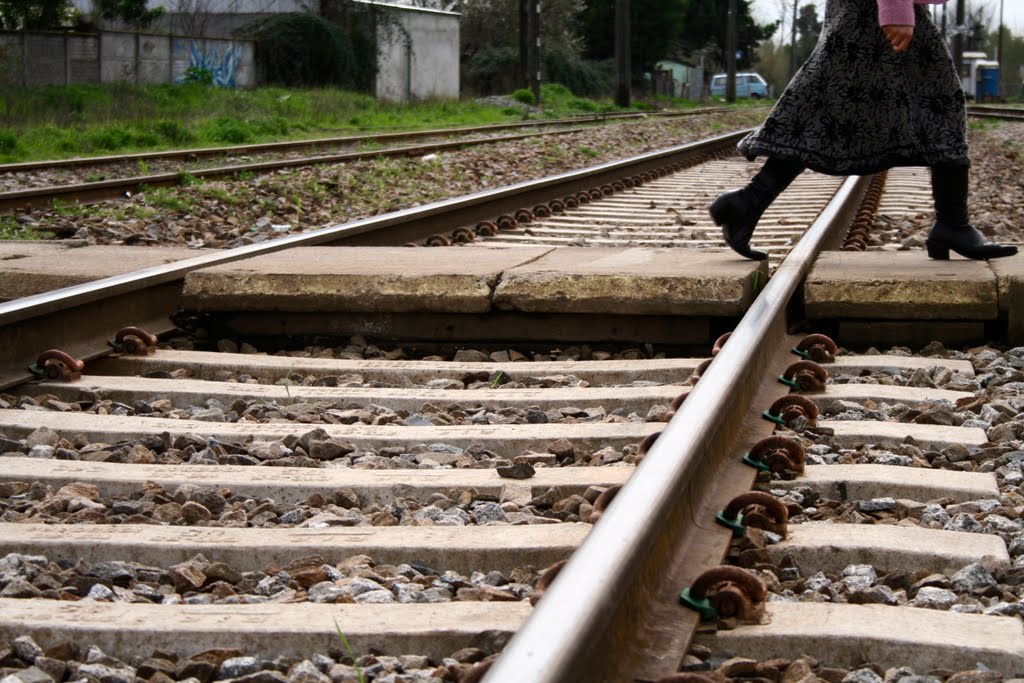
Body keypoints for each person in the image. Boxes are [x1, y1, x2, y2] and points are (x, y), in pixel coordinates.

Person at [709, 0, 1017, 261]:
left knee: (825, 105)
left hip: (865, 9)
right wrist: (895, 9)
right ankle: (953, 224)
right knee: (940, 101)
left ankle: (747, 203)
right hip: (872, 10)